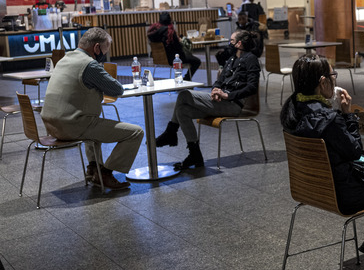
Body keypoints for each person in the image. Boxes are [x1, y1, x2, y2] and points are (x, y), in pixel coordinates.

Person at [280, 54, 364, 262]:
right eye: (333, 75)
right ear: (323, 83)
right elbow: (355, 151)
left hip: (312, 190)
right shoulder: (329, 120)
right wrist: (347, 114)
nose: (335, 80)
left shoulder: (291, 112)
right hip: (343, 195)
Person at [40, 28, 143, 190]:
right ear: (96, 48)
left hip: (51, 125)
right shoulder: (89, 65)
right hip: (72, 126)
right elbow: (117, 89)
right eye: (104, 51)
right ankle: (106, 173)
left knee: (92, 118)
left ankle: (94, 167)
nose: (104, 55)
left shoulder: (64, 60)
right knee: (136, 132)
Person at [155, 30, 260, 170]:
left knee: (184, 94)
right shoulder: (232, 59)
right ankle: (195, 155)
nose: (229, 43)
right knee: (182, 110)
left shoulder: (251, 59)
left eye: (232, 41)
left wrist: (228, 96)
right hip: (221, 101)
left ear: (239, 44)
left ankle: (171, 132)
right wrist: (215, 90)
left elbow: (252, 87)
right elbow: (220, 80)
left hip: (233, 104)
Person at [147, 12, 201, 81]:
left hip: (159, 59)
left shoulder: (153, 32)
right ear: (170, 20)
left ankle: (185, 79)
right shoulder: (170, 32)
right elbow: (178, 48)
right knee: (197, 61)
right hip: (173, 59)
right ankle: (187, 79)